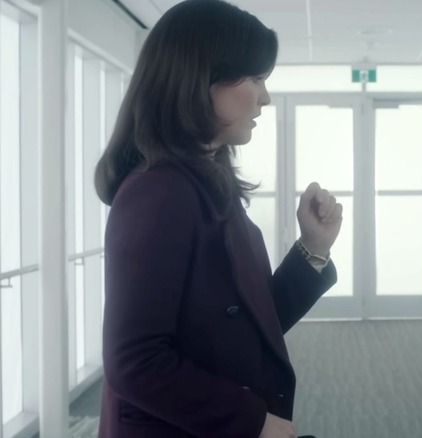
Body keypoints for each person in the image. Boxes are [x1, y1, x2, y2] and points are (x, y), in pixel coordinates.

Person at [94, 1, 341, 437]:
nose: (264, 97)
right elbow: (135, 361)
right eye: (256, 79)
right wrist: (253, 423)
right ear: (201, 79)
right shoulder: (158, 193)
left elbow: (245, 324)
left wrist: (313, 249)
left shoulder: (206, 181)